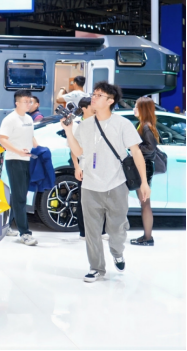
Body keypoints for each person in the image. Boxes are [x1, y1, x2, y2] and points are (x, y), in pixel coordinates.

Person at [62, 81, 151, 283]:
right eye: (93, 94)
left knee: (117, 230)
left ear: (110, 101)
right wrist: (68, 131)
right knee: (92, 231)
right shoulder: (84, 126)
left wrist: (144, 182)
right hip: (90, 186)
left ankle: (117, 252)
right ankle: (96, 268)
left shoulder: (122, 124)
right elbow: (78, 151)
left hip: (116, 185)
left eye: (99, 95)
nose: (93, 97)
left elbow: (136, 152)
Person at [0, 90, 39, 246]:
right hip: (15, 160)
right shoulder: (10, 119)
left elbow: (31, 136)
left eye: (30, 101)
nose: (28, 104)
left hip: (27, 159)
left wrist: (38, 148)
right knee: (20, 197)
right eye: (25, 101)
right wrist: (18, 151)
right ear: (17, 103)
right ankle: (25, 233)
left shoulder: (28, 118)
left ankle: (7, 225)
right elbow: (3, 140)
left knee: (19, 195)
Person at [72, 97, 107, 241]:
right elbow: (73, 150)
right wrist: (77, 167)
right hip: (84, 166)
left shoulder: (99, 123)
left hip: (100, 166)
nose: (94, 108)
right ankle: (84, 233)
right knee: (84, 201)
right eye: (91, 106)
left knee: (101, 200)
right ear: (84, 109)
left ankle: (101, 231)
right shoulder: (77, 126)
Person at [131, 96, 158, 247]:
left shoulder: (146, 127)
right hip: (143, 166)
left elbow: (150, 148)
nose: (134, 109)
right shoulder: (143, 125)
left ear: (143, 109)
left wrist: (133, 146)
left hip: (144, 167)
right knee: (145, 203)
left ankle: (148, 238)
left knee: (145, 204)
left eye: (136, 106)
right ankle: (147, 236)